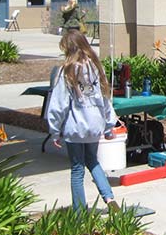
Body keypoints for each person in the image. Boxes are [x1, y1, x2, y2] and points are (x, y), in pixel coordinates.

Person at [46, 29, 120, 212]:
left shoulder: (67, 71)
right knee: (93, 161)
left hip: (76, 126)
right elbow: (104, 99)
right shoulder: (96, 67)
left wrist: (54, 130)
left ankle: (79, 213)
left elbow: (59, 103)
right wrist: (110, 125)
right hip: (95, 124)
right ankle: (109, 198)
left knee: (77, 169)